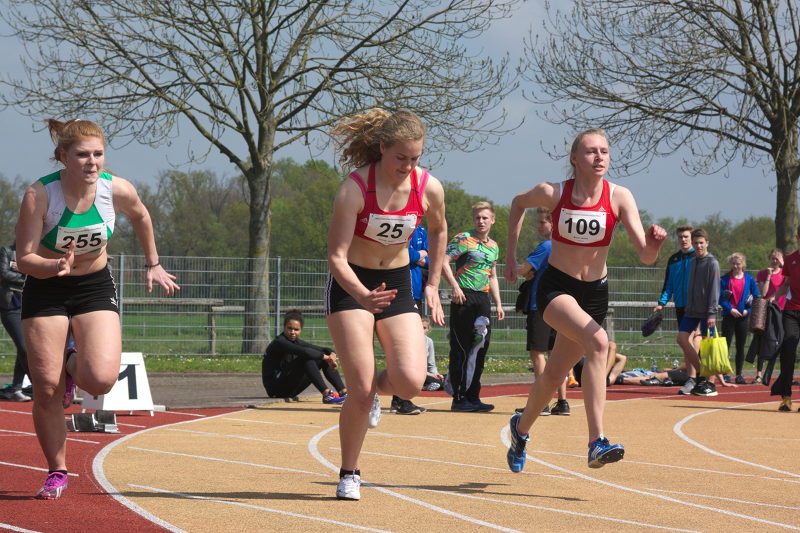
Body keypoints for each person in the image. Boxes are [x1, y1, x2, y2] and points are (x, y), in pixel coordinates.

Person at [16, 118, 180, 500]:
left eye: (98, 154)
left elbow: (141, 215)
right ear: (63, 157)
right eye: (82, 155)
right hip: (45, 288)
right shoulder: (40, 195)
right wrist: (53, 266)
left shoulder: (115, 189)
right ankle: (58, 470)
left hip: (93, 284)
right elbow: (23, 258)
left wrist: (152, 263)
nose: (92, 162)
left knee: (102, 380)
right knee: (46, 389)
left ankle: (72, 361)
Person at [504, 128, 666, 473]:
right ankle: (596, 442)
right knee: (599, 342)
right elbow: (518, 203)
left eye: (604, 151)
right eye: (591, 152)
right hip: (556, 288)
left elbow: (646, 257)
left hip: (594, 293)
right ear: (575, 159)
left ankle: (520, 430)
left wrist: (654, 244)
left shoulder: (620, 196)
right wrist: (510, 255)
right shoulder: (554, 193)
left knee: (553, 377)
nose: (599, 157)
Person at [326, 109, 447, 501]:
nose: (408, 166)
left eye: (415, 158)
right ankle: (349, 472)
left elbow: (440, 230)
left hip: (395, 282)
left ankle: (378, 389)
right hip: (352, 285)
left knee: (411, 382)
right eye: (401, 158)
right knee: (358, 390)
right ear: (382, 149)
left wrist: (431, 284)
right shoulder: (355, 190)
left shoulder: (428, 188)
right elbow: (336, 257)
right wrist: (362, 295)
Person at [441, 201, 505, 412]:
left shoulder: (493, 246)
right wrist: (454, 286)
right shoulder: (463, 239)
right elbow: (444, 261)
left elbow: (493, 276)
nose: (481, 221)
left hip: (483, 299)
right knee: (461, 346)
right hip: (463, 297)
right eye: (477, 217)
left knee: (480, 348)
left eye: (485, 217)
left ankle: (473, 395)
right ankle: (458, 397)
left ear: (492, 220)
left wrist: (498, 303)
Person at [514, 207, 569, 416]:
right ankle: (562, 402)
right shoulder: (566, 246)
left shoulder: (546, 246)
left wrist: (513, 264)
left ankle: (542, 402)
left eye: (541, 222)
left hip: (542, 306)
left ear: (552, 224)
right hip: (563, 306)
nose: (538, 226)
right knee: (556, 355)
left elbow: (523, 270)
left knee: (537, 353)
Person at [389, 224, 431, 414]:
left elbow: (431, 260)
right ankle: (398, 398)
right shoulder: (398, 226)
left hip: (416, 293)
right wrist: (418, 255)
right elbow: (400, 254)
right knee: (399, 346)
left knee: (413, 346)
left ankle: (401, 399)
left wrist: (419, 255)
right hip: (398, 292)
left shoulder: (422, 231)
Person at [262, 310, 346, 404]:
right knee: (306, 357)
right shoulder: (280, 342)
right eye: (289, 328)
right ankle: (327, 395)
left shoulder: (296, 341)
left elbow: (323, 349)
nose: (292, 332)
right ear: (284, 327)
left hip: (290, 390)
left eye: (296, 329)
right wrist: (327, 358)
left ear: (301, 330)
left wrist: (332, 354)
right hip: (275, 390)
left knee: (319, 358)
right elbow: (304, 351)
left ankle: (343, 392)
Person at [676, 229, 721, 397]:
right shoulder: (693, 262)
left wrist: (712, 314)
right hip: (692, 311)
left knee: (708, 348)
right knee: (681, 338)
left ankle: (711, 384)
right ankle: (702, 374)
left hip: (707, 313)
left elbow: (714, 290)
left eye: (701, 242)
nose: (699, 246)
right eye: (696, 243)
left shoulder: (712, 263)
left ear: (707, 243)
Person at [652, 225, 699, 378]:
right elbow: (668, 284)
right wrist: (662, 302)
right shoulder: (674, 259)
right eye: (680, 237)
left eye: (686, 236)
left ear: (692, 238)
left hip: (696, 305)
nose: (683, 239)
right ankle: (695, 375)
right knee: (686, 343)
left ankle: (694, 376)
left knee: (690, 340)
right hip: (680, 305)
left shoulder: (698, 257)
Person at [769, 227, 800, 411]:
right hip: (791, 311)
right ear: (798, 237)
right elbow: (786, 284)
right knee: (788, 350)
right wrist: (773, 297)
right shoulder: (790, 259)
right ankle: (786, 397)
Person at [720, 253, 759, 384]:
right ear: (731, 264)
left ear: (743, 264)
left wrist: (748, 310)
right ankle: (725, 374)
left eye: (738, 263)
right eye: (733, 263)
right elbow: (720, 298)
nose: (736, 266)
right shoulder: (724, 279)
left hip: (743, 317)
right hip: (728, 316)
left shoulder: (749, 279)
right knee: (725, 346)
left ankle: (739, 374)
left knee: (740, 347)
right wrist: (730, 309)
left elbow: (756, 297)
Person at [391, 315, 442, 414]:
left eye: (424, 328)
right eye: (419, 327)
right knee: (406, 374)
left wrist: (436, 374)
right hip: (416, 373)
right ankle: (400, 401)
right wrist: (427, 374)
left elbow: (432, 364)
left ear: (428, 329)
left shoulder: (429, 342)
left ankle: (419, 386)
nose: (421, 330)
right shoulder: (409, 340)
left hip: (424, 374)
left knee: (444, 380)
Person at [0, 241, 30, 401]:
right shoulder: (6, 251)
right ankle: (37, 383)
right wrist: (26, 274)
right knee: (24, 347)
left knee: (24, 348)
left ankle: (17, 388)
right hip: (11, 305)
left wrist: (22, 270)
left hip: (31, 304)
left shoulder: (36, 253)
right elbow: (4, 274)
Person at [753, 248, 784, 384]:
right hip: (766, 311)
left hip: (781, 310)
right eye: (772, 258)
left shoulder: (785, 274)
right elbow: (764, 293)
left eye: (777, 258)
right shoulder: (762, 273)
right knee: (762, 340)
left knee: (782, 341)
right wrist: (768, 277)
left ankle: (783, 373)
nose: (774, 261)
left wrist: (775, 297)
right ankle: (759, 374)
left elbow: (786, 290)